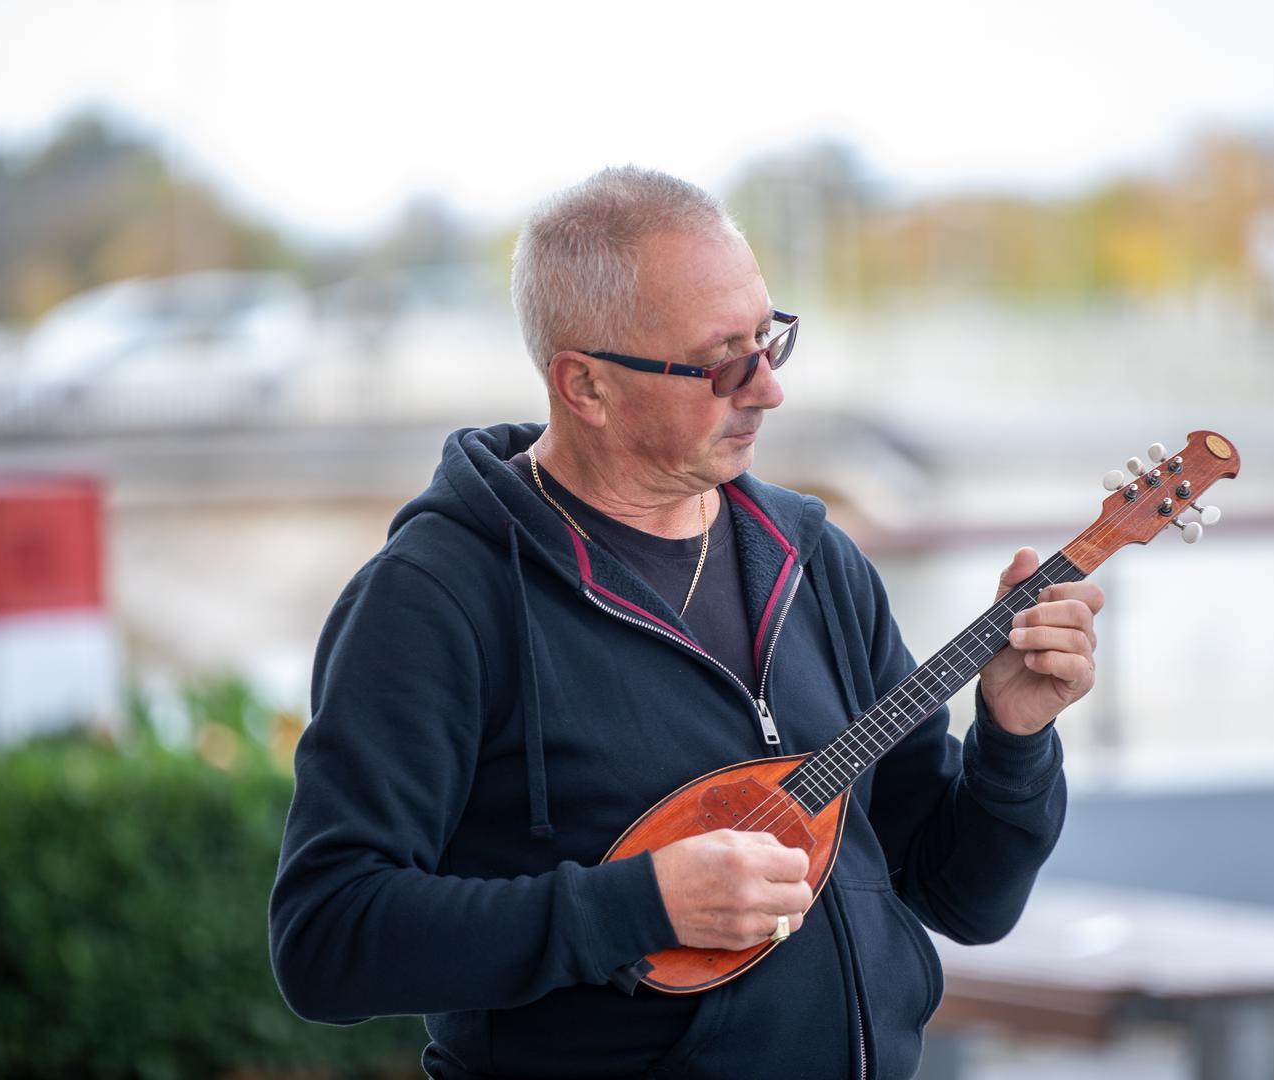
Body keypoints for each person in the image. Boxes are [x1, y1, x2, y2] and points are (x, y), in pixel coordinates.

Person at [268, 166, 1104, 1080]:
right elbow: (326, 938)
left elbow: (962, 899)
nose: (766, 389)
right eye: (720, 363)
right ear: (584, 386)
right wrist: (638, 906)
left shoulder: (815, 563)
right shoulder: (435, 598)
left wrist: (1015, 738)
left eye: (769, 340)